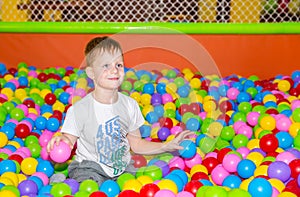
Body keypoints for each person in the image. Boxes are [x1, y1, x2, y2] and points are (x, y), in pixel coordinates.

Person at [47, 36, 193, 185]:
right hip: (89, 168)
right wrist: (61, 140)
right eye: (105, 65)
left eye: (119, 65)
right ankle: (65, 182)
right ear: (91, 73)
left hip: (122, 169)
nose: (114, 70)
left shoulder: (130, 105)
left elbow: (136, 145)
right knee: (89, 186)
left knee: (135, 185)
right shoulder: (79, 109)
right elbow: (69, 140)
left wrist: (166, 146)